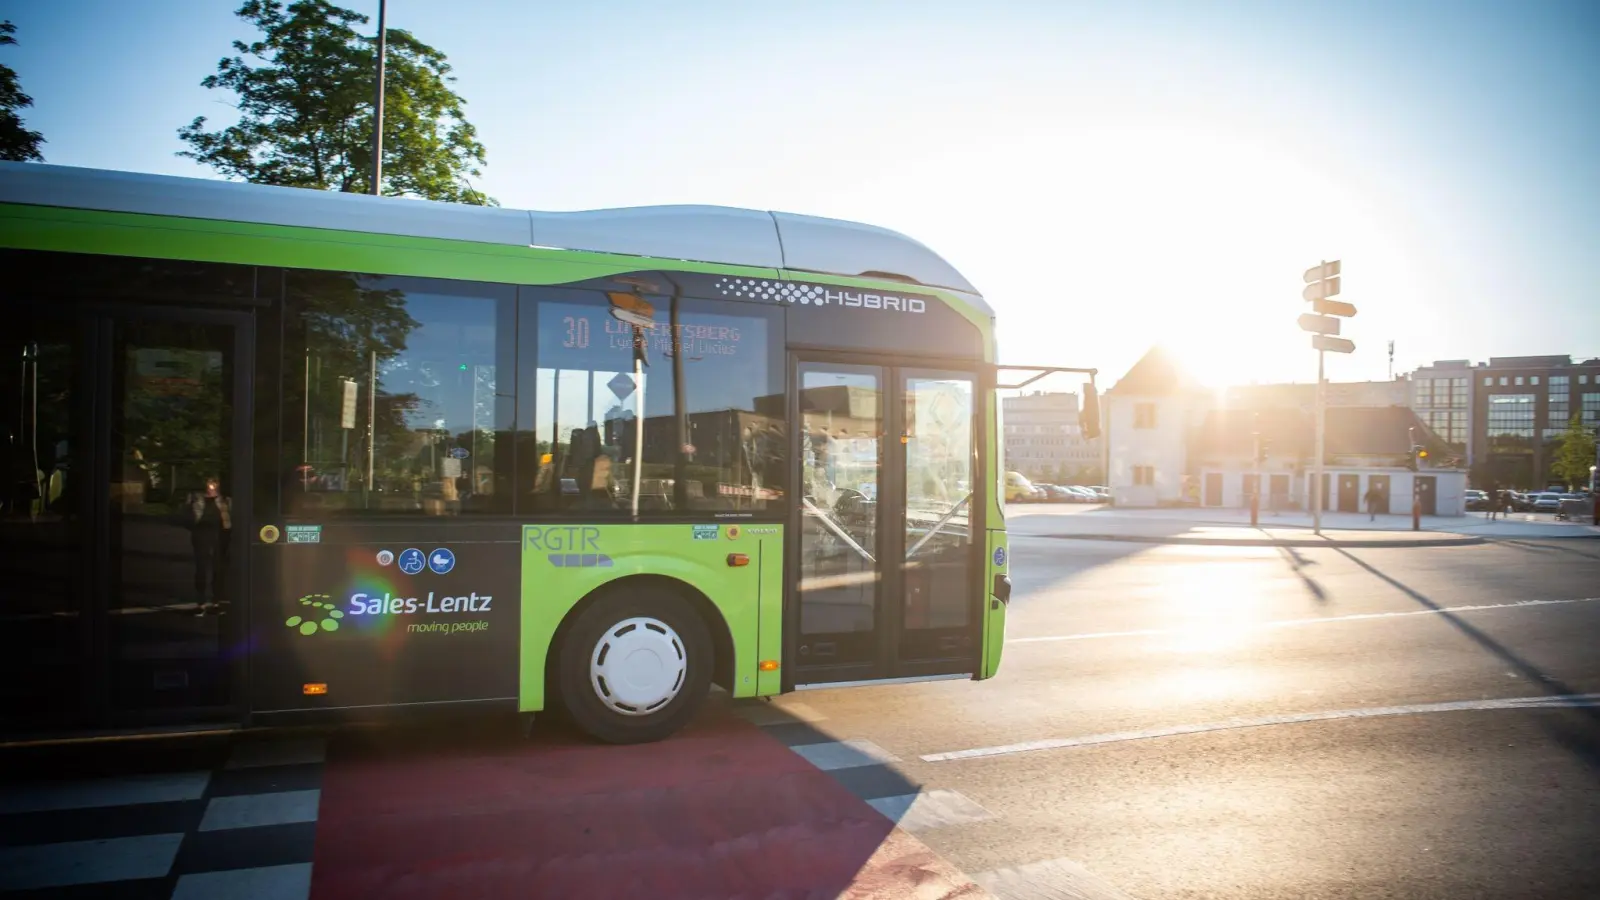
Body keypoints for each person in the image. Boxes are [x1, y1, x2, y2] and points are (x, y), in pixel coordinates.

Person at [184, 475, 231, 616]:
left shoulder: (223, 500)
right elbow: (190, 516)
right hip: (201, 535)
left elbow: (227, 520)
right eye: (210, 483)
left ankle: (217, 602)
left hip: (217, 536)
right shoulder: (197, 498)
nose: (212, 486)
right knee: (201, 569)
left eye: (214, 483)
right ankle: (201, 603)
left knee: (218, 569)